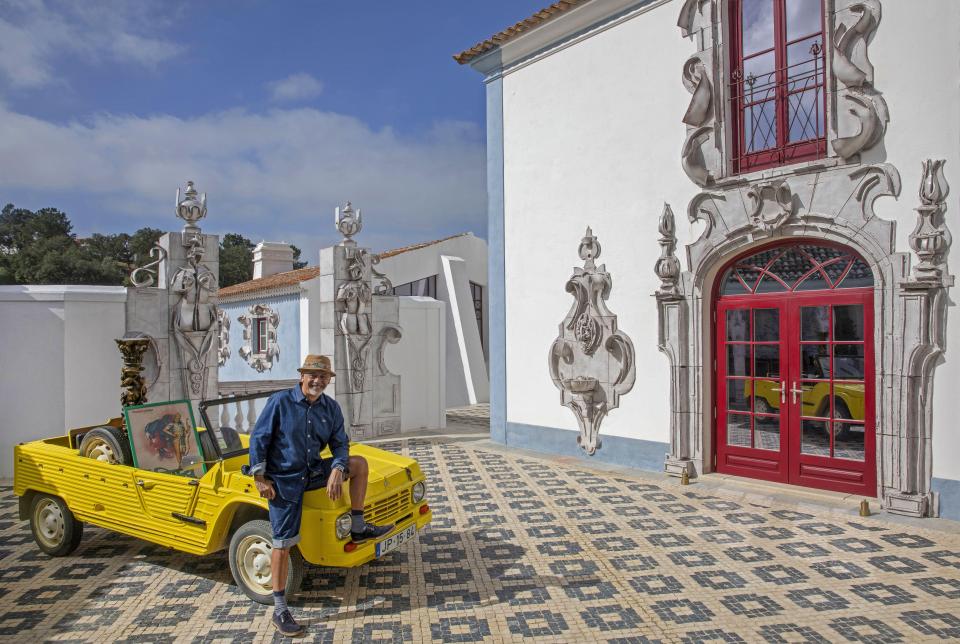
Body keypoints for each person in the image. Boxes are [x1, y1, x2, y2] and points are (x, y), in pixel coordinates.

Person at [248, 354, 394, 636]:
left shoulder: (331, 408)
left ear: (328, 380)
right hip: (284, 479)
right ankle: (280, 610)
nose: (318, 381)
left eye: (323, 377)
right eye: (313, 375)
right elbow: (259, 438)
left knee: (358, 464)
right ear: (302, 376)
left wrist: (338, 468)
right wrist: (260, 478)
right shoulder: (280, 402)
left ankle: (359, 527)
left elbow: (341, 444)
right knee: (282, 542)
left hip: (313, 471)